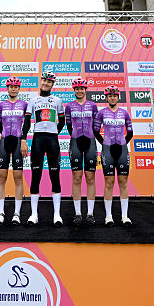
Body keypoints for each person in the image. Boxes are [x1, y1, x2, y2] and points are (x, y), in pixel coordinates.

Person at [27, 71, 65, 225]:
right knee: (35, 177)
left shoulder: (57, 100)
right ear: (41, 81)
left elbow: (61, 122)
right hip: (37, 139)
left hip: (52, 140)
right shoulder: (33, 100)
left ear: (52, 85)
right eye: (44, 81)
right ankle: (33, 215)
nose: (46, 84)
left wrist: (54, 132)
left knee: (55, 177)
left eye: (49, 82)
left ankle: (57, 215)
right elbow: (26, 122)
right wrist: (24, 138)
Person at [94, 86, 134, 225]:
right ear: (106, 98)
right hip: (107, 150)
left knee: (123, 182)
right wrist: (105, 143)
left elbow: (130, 132)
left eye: (114, 95)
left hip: (122, 149)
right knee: (109, 182)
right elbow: (96, 131)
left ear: (118, 97)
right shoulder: (101, 113)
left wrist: (123, 144)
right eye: (109, 96)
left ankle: (125, 216)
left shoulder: (125, 113)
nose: (112, 98)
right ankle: (108, 216)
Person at [0, 77, 30, 224]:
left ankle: (17, 213)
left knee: (18, 178)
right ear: (7, 89)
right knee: (1, 177)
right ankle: (1, 213)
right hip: (4, 141)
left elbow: (26, 124)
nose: (13, 89)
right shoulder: (1, 105)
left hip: (17, 141)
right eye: (11, 86)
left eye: (16, 86)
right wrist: (5, 135)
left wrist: (23, 140)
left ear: (19, 89)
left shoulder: (24, 104)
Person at [65, 77, 98, 225]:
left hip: (90, 142)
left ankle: (90, 213)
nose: (79, 91)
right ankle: (78, 213)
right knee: (76, 177)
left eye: (81, 88)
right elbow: (68, 125)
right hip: (75, 142)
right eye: (77, 89)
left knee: (90, 178)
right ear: (74, 90)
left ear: (85, 90)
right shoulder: (69, 106)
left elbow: (97, 126)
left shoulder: (93, 105)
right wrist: (74, 137)